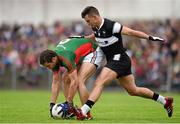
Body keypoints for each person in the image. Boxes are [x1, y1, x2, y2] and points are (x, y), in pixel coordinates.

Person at [75, 6, 173, 120]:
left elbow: (131, 32)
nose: (87, 24)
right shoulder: (95, 27)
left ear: (95, 17)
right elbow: (96, 36)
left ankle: (83, 111)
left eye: (88, 21)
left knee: (99, 82)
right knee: (133, 90)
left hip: (119, 59)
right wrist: (81, 38)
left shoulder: (111, 25)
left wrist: (150, 37)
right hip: (119, 61)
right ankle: (165, 101)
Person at [39, 38, 105, 119]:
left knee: (79, 81)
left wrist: (68, 102)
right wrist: (52, 104)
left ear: (54, 59)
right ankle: (71, 111)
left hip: (92, 51)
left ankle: (86, 114)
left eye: (48, 66)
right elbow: (56, 82)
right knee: (65, 78)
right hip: (80, 56)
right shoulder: (53, 58)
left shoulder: (66, 57)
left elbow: (74, 82)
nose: (49, 68)